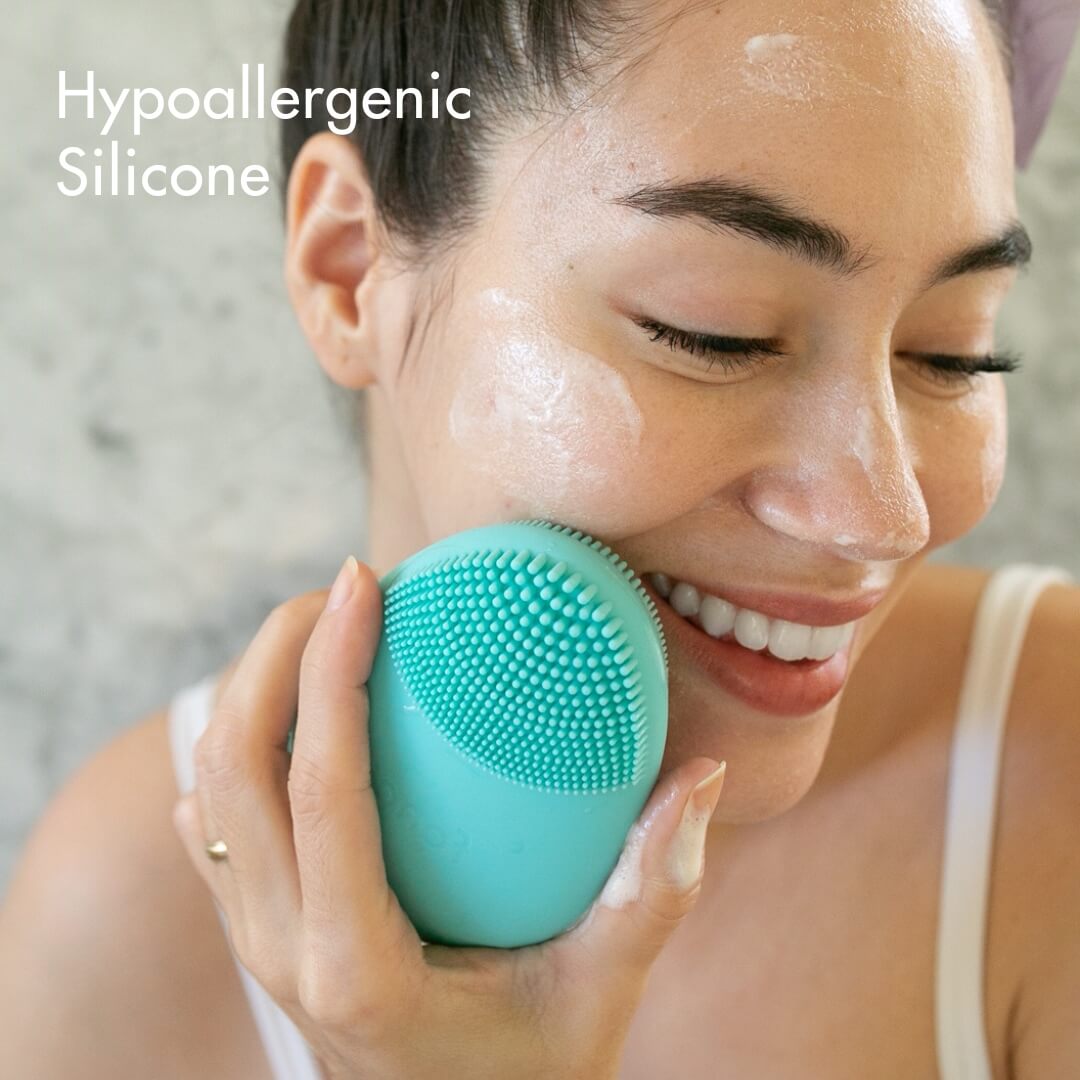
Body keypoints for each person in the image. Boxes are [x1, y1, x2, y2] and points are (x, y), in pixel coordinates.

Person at [2, 0, 1078, 1076]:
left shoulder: (1051, 780)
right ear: (348, 269)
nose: (884, 514)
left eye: (953, 353)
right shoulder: (118, 937)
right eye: (717, 332)